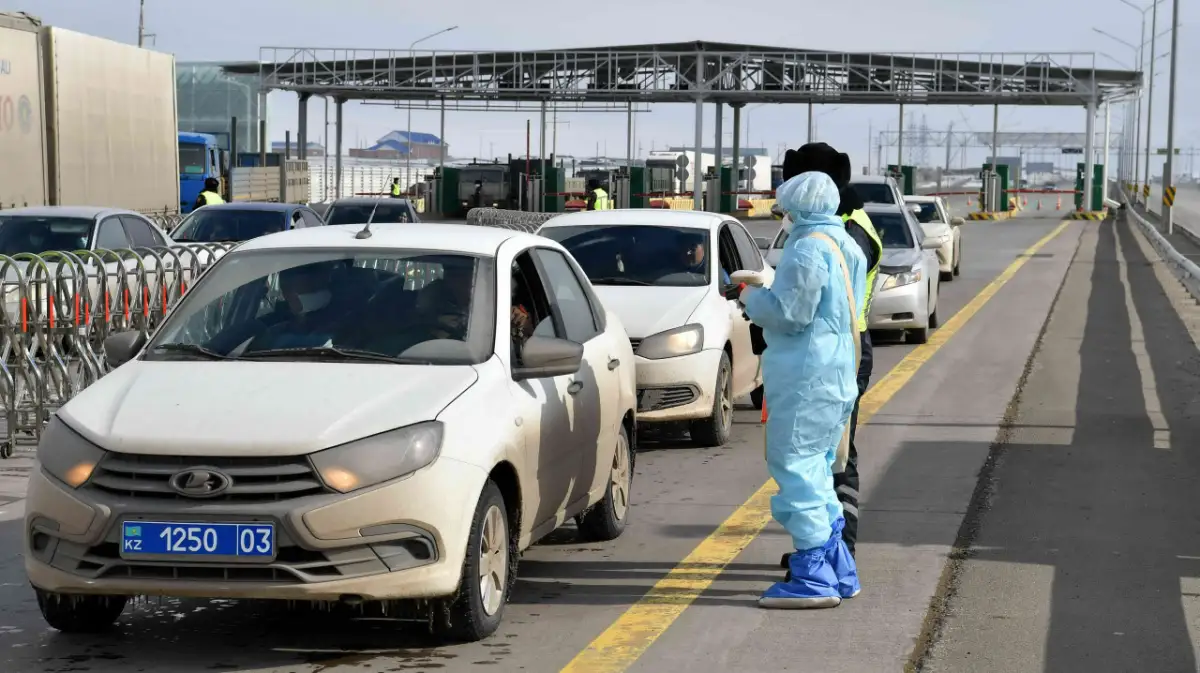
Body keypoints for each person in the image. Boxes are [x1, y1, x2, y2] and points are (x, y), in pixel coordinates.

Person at [739, 171, 866, 609]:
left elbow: (791, 314)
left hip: (806, 374)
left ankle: (812, 575)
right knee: (818, 469)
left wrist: (752, 297)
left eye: (784, 209)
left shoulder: (808, 249)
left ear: (797, 208)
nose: (783, 217)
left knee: (794, 466)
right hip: (836, 372)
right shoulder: (845, 244)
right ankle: (838, 567)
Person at [778, 142, 882, 561]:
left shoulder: (843, 230)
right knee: (817, 453)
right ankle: (823, 546)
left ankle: (839, 548)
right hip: (828, 348)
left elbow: (807, 300)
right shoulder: (830, 221)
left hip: (840, 351)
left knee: (834, 454)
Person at [244, 262, 344, 351]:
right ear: (286, 292)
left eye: (322, 286)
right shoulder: (267, 334)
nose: (319, 293)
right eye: (309, 287)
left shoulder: (345, 327)